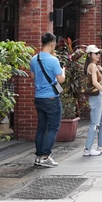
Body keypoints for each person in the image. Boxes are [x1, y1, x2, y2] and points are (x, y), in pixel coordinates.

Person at [31, 33, 65, 168]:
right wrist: (63, 72)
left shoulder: (34, 59)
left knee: (41, 128)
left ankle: (39, 156)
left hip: (38, 97)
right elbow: (61, 80)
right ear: (52, 44)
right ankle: (45, 156)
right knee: (53, 128)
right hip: (51, 98)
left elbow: (33, 76)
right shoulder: (53, 60)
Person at [82, 45, 102, 157]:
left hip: (97, 96)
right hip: (95, 97)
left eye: (99, 53)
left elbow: (98, 83)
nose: (98, 55)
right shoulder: (91, 66)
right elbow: (95, 83)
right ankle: (87, 149)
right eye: (96, 53)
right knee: (94, 124)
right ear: (90, 55)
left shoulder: (94, 66)